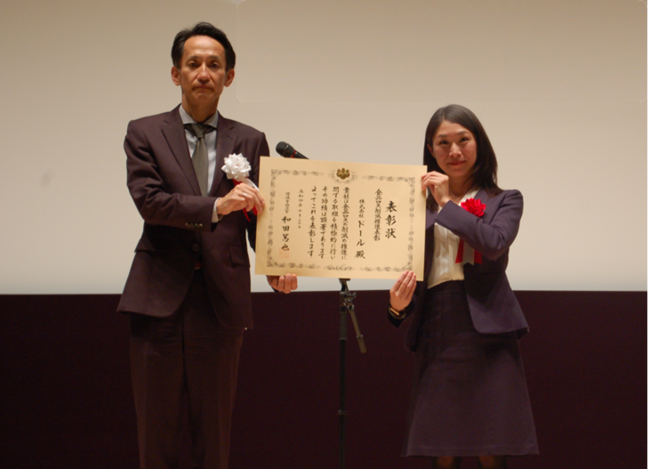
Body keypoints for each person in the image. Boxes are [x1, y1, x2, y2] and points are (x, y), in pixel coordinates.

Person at [117, 22, 297, 469]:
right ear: (175, 73)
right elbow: (151, 203)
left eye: (214, 65)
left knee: (214, 437)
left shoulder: (250, 139)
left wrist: (275, 263)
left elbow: (259, 214)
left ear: (228, 77)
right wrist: (218, 206)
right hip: (158, 297)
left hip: (220, 303)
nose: (203, 72)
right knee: (155, 436)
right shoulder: (144, 132)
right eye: (193, 63)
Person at [388, 105, 538, 469]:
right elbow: (411, 273)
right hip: (438, 323)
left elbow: (493, 243)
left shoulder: (505, 199)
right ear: (431, 149)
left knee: (491, 445)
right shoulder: (414, 208)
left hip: (489, 326)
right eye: (443, 143)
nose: (454, 151)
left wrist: (445, 202)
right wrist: (397, 307)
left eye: (463, 140)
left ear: (478, 144)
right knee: (443, 446)